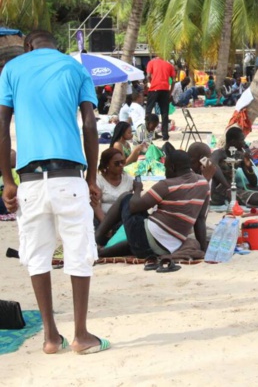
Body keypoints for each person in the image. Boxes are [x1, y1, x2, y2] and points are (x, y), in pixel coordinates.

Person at [0, 30, 108, 354]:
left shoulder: (11, 70)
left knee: (37, 256)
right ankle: (81, 335)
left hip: (29, 180)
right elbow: (90, 125)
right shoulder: (74, 68)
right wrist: (91, 178)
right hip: (68, 176)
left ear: (29, 46)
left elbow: (2, 127)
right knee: (79, 252)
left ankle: (50, 337)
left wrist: (7, 180)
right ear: (55, 46)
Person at [96, 150, 210, 256]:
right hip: (168, 247)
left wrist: (137, 189)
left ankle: (96, 240)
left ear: (173, 167)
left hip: (146, 240)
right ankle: (103, 251)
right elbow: (200, 220)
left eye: (166, 168)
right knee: (142, 224)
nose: (165, 172)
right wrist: (203, 248)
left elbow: (134, 206)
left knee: (126, 197)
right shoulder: (203, 184)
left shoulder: (167, 185)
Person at [93, 148, 134, 223]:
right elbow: (96, 206)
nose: (121, 165)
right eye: (117, 163)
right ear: (107, 165)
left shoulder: (128, 179)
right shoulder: (98, 181)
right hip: (103, 219)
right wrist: (105, 226)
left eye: (123, 162)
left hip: (124, 220)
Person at [145, 54, 176, 141]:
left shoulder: (151, 63)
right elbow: (173, 80)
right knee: (165, 113)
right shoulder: (169, 65)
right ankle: (165, 135)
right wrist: (170, 92)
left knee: (148, 111)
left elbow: (148, 76)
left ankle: (148, 133)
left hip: (154, 89)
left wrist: (151, 83)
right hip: (165, 90)